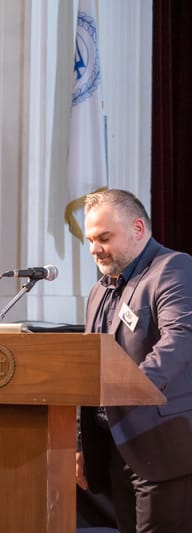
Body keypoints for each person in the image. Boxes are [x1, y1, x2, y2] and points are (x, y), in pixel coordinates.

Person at [76, 189, 192, 532]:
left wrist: (131, 390)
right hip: (114, 447)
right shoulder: (100, 289)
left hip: (162, 446)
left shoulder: (172, 268)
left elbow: (181, 337)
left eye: (104, 238)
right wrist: (80, 445)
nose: (95, 249)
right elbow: (87, 366)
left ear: (138, 229)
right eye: (91, 240)